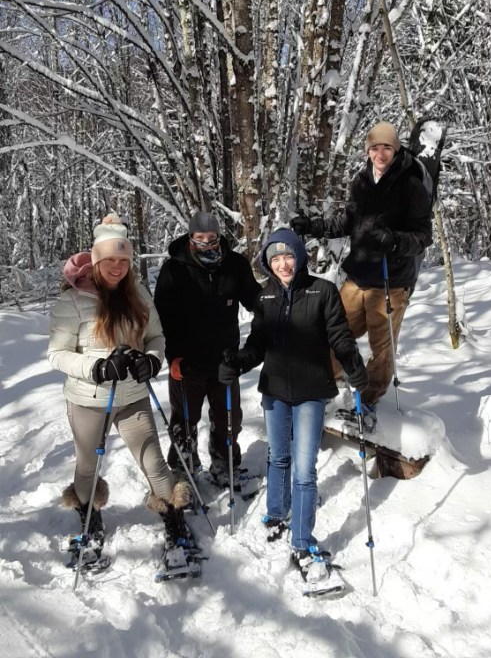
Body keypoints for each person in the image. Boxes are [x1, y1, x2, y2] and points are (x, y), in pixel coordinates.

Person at [218, 228, 368, 583]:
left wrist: (354, 366)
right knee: (278, 456)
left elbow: (339, 336)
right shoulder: (266, 297)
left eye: (288, 256)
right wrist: (236, 362)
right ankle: (275, 512)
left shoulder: (322, 291)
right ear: (268, 263)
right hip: (275, 391)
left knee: (304, 469)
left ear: (299, 256)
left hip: (312, 392)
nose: (283, 264)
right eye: (275, 259)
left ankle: (302, 540)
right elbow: (257, 344)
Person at [48, 213, 191, 566]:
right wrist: (96, 367)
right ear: (96, 259)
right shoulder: (73, 300)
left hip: (132, 396)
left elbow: (156, 337)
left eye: (123, 260)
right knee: (87, 469)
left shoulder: (138, 292)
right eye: (109, 259)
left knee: (155, 464)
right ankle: (89, 518)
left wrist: (152, 361)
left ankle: (175, 521)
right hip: (87, 400)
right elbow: (57, 354)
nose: (116, 267)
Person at [290, 121, 432, 428]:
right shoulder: (362, 181)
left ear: (395, 149)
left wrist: (394, 240)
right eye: (374, 148)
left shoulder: (411, 186)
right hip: (357, 276)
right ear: (367, 151)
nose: (380, 154)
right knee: (335, 331)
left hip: (390, 280)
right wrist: (314, 226)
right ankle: (325, 386)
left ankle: (367, 403)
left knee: (382, 348)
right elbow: (347, 221)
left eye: (386, 147)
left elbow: (423, 236)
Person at [153, 211, 260, 488]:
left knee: (229, 419)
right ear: (190, 237)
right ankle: (183, 469)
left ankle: (225, 465)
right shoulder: (174, 269)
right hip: (186, 361)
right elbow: (161, 318)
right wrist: (172, 357)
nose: (206, 244)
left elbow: (256, 301)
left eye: (211, 238)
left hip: (225, 359)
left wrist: (279, 307)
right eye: (199, 238)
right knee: (184, 421)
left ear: (219, 237)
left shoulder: (234, 264)